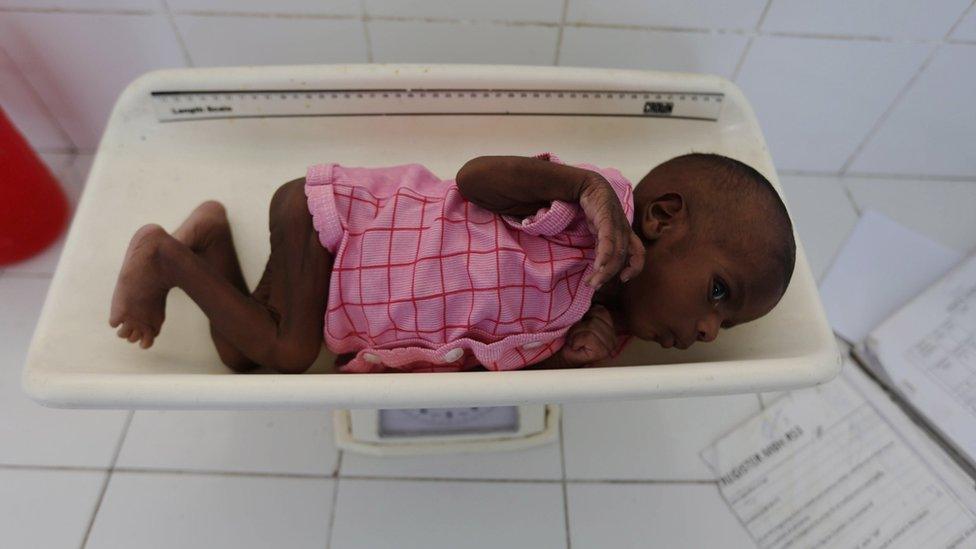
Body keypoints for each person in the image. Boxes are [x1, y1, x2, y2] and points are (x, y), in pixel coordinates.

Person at [108, 152, 795, 374]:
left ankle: (208, 241)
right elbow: (474, 180)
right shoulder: (593, 215)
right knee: (288, 352)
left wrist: (570, 354)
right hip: (345, 228)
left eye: (724, 324)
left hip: (339, 291)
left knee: (241, 354)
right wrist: (579, 186)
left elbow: (498, 355)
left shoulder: (598, 329)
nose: (708, 330)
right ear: (662, 216)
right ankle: (162, 255)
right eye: (717, 292)